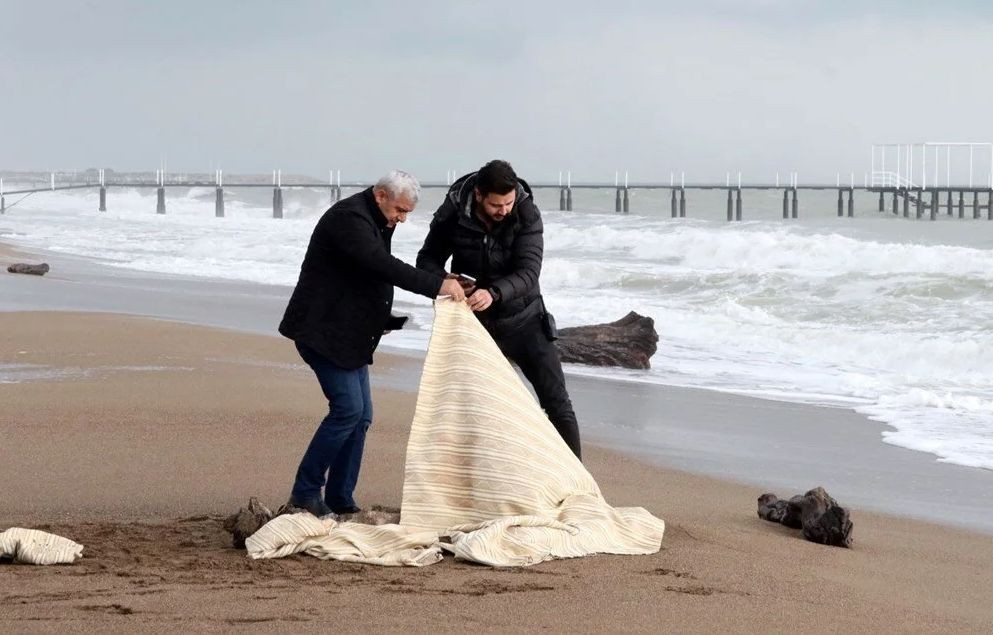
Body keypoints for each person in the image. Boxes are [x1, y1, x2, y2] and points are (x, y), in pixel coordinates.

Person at [278, 170, 466, 517]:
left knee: (361, 416)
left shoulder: (379, 219)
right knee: (348, 410)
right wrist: (436, 285)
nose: (402, 219)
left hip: (350, 332)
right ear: (380, 195)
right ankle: (305, 493)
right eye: (399, 210)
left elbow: (362, 278)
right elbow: (382, 266)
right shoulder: (349, 219)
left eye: (407, 212)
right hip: (322, 330)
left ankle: (340, 498)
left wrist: (386, 319)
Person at [416, 160, 582, 459]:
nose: (504, 210)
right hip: (474, 324)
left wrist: (494, 293)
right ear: (478, 195)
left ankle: (578, 483)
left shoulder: (526, 212)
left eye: (508, 202)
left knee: (557, 403)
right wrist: (445, 279)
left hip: (526, 318)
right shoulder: (452, 211)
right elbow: (426, 259)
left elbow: (530, 272)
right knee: (477, 408)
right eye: (496, 204)